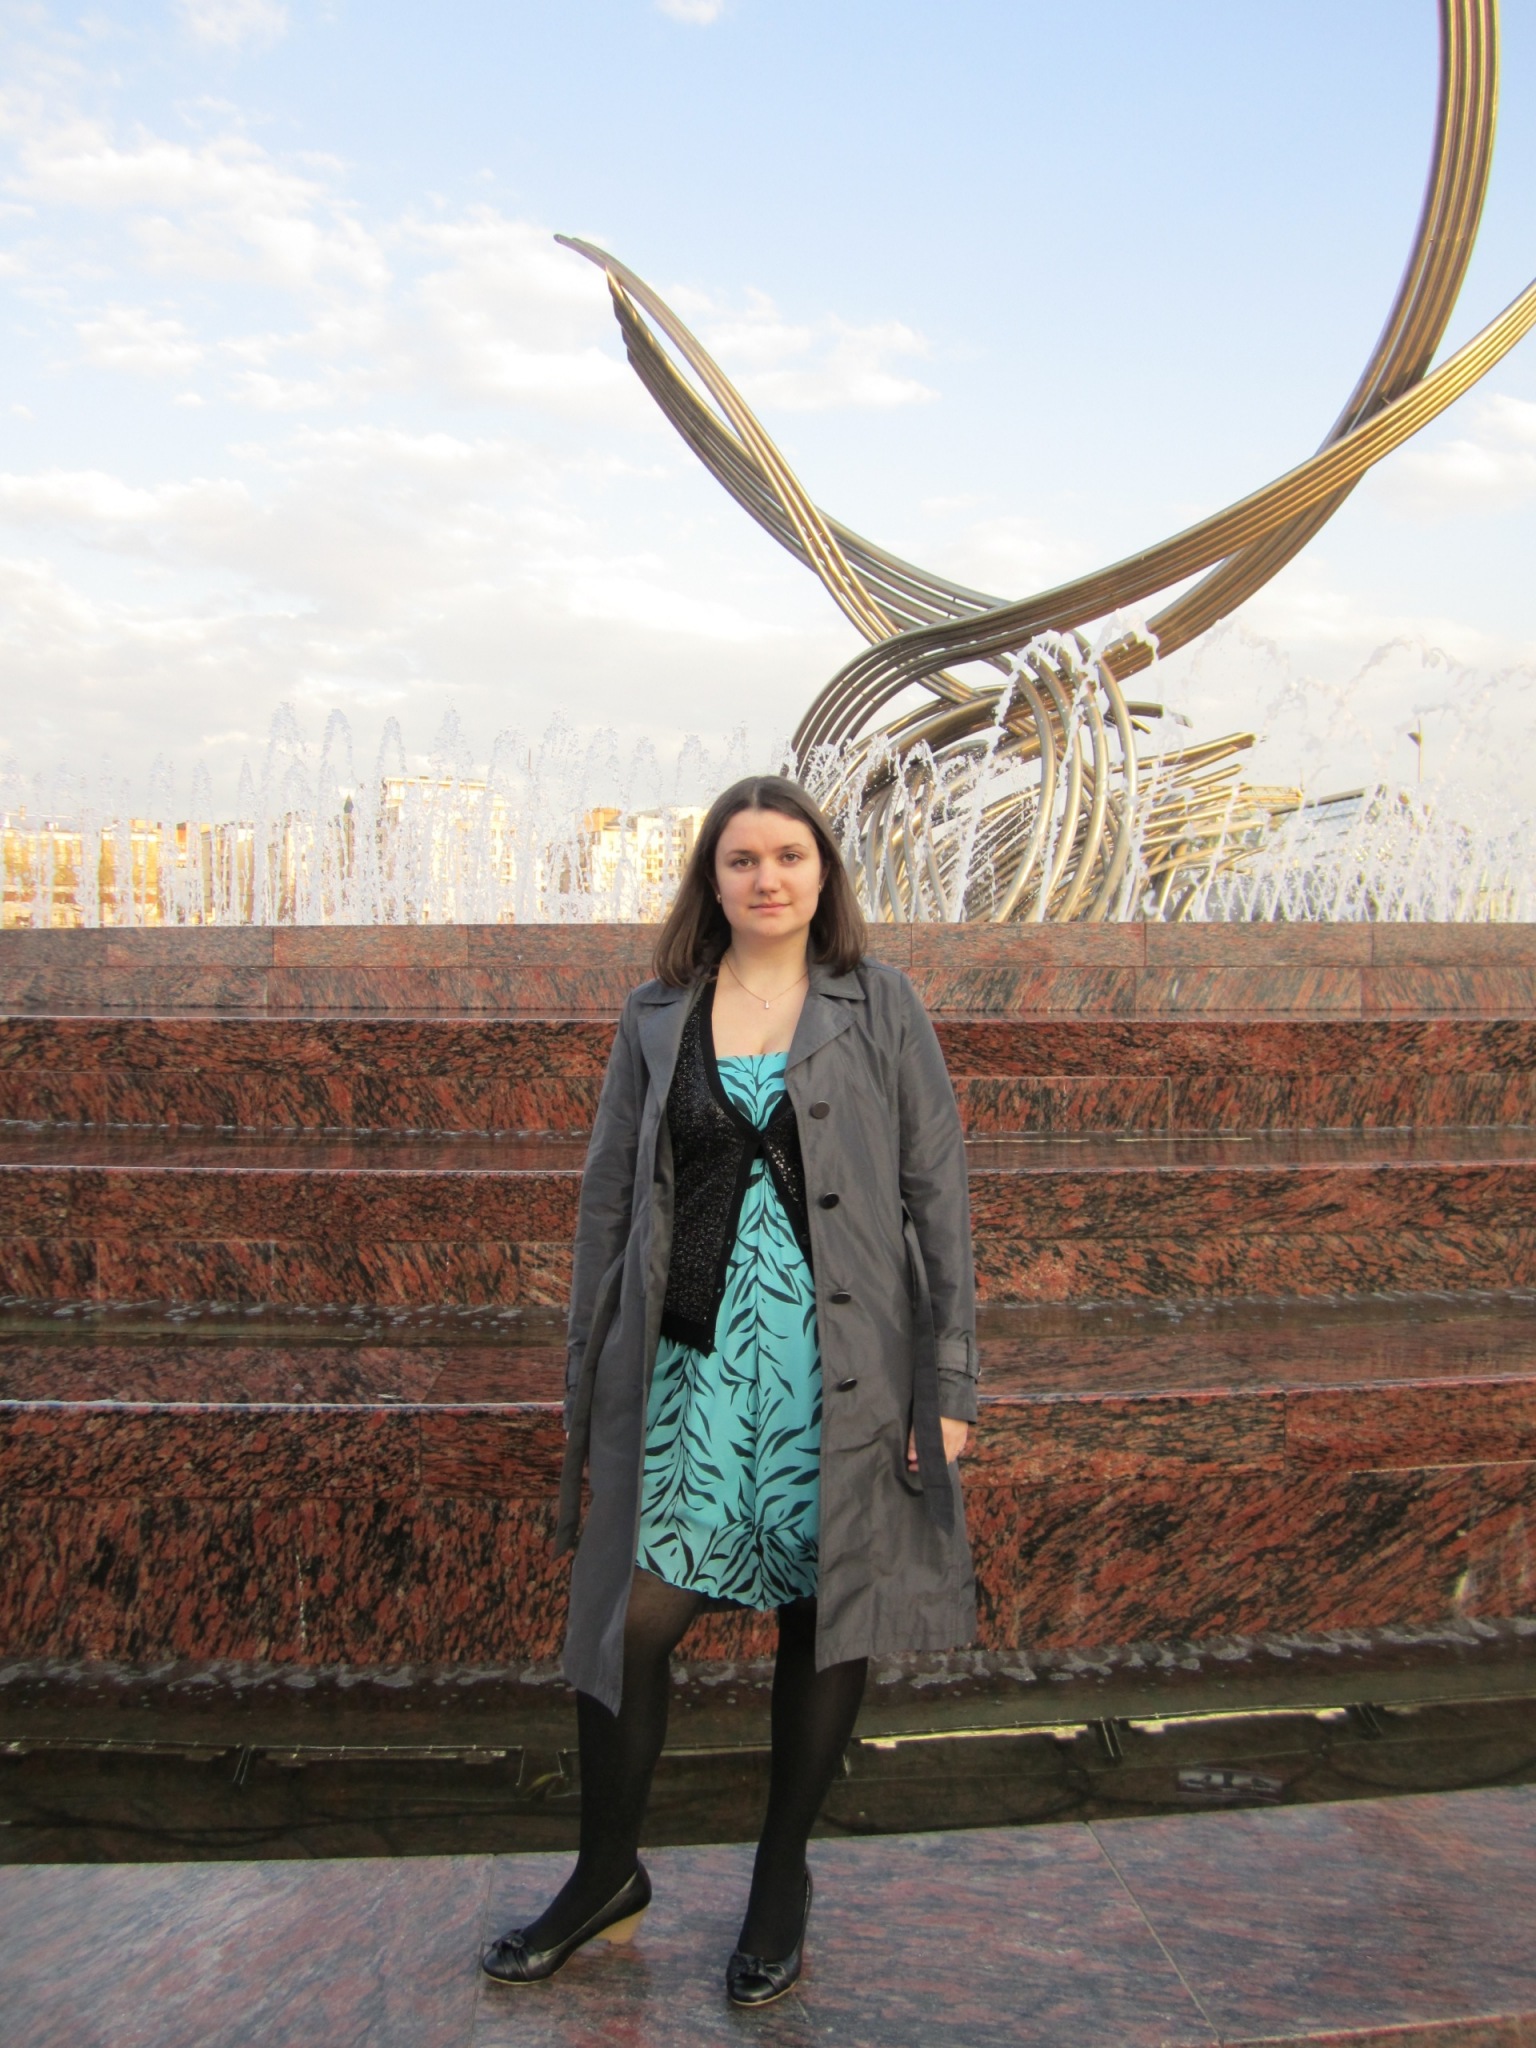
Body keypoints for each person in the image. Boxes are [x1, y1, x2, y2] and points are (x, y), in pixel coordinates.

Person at [481, 774, 978, 2007]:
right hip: (688, 1366)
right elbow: (608, 1201)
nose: (768, 878)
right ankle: (606, 1870)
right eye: (742, 858)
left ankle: (778, 1879)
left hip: (838, 1365)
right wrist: (587, 1379)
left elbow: (938, 1197)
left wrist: (949, 1382)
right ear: (712, 878)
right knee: (632, 1620)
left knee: (827, 1605)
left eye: (790, 856)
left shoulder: (880, 1004)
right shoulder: (659, 1013)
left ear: (824, 873)